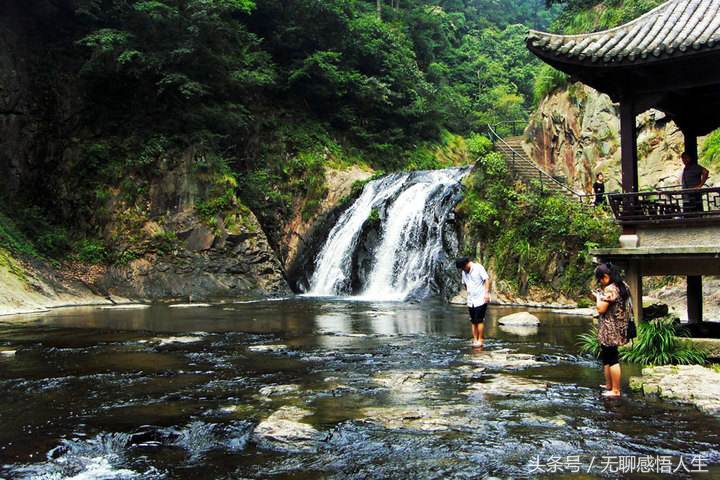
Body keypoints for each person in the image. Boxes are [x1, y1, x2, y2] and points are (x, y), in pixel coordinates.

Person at [591, 263, 630, 398]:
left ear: (606, 277)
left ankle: (615, 390)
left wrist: (597, 297)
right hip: (618, 326)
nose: (599, 282)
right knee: (607, 356)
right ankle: (609, 385)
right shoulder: (623, 286)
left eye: (600, 279)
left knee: (612, 358)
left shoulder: (611, 289)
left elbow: (601, 308)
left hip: (610, 328)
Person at [456, 257, 492, 347]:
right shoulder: (464, 272)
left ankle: (480, 339)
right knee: (473, 321)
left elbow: (486, 279)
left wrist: (486, 293)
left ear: (467, 264)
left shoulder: (478, 267)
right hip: (471, 300)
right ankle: (475, 338)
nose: (463, 270)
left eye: (463, 267)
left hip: (481, 298)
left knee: (479, 320)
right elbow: (465, 283)